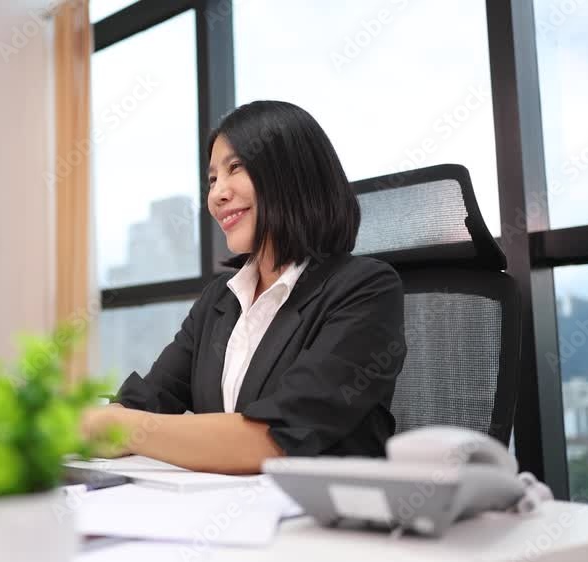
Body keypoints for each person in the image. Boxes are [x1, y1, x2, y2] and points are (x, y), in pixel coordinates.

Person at [81, 100, 406, 474]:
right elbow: (149, 400)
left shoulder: (365, 288)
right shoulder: (219, 298)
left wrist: (122, 427)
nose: (216, 195)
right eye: (212, 179)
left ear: (292, 173)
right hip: (223, 504)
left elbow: (276, 439)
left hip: (321, 508)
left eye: (235, 168)